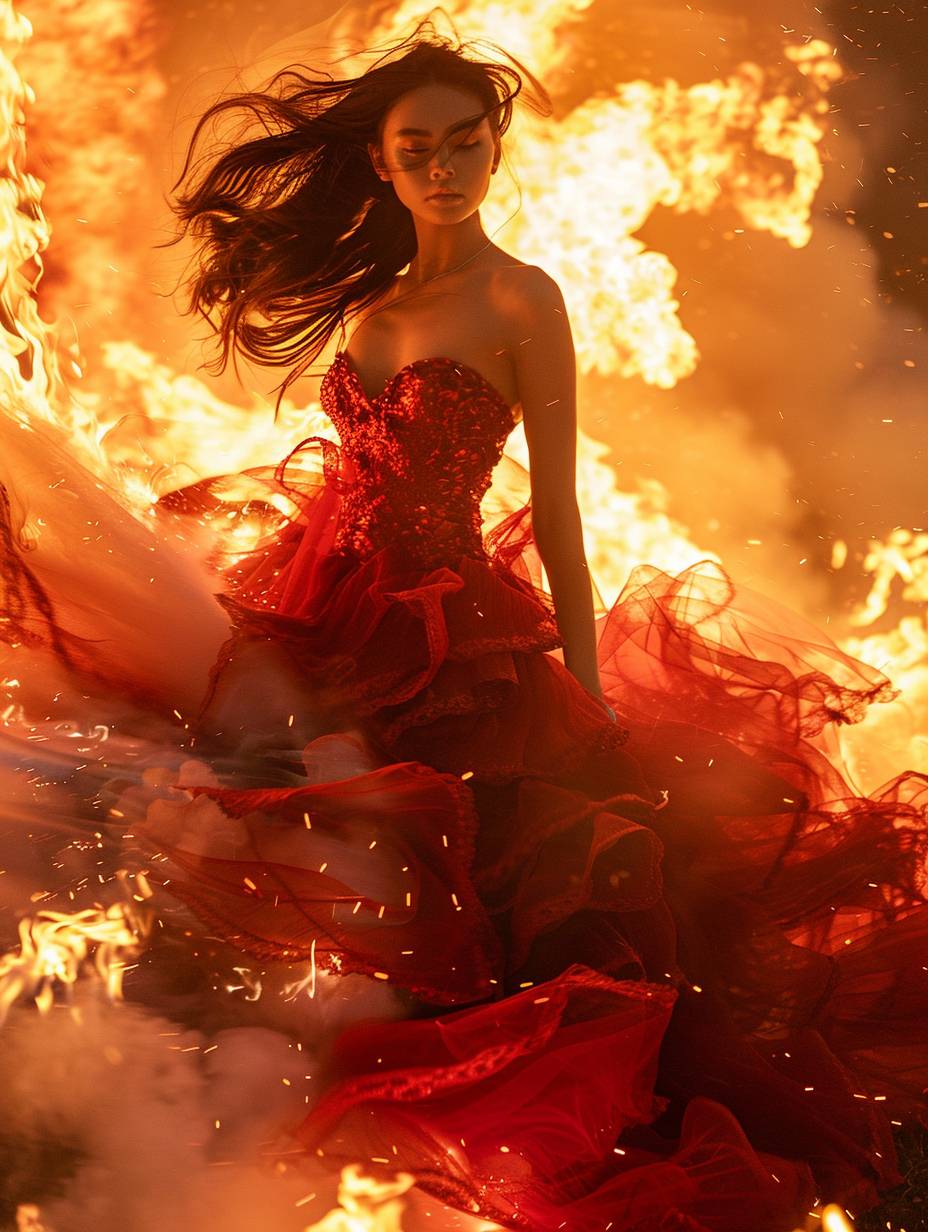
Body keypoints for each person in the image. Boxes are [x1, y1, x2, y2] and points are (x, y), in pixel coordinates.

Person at [1, 21, 926, 1232]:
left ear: (493, 152)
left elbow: (556, 509)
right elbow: (351, 478)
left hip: (451, 636)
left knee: (470, 904)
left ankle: (498, 1161)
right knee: (222, 807)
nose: (443, 166)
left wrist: (586, 689)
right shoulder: (379, 299)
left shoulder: (519, 296)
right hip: (327, 602)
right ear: (382, 166)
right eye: (415, 148)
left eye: (463, 143)